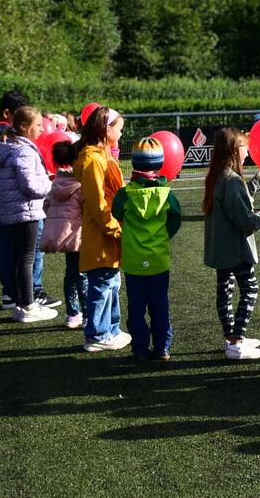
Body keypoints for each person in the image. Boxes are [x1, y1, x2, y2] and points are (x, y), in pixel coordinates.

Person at [111, 138, 183, 360]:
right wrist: (163, 236)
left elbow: (116, 213)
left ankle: (140, 349)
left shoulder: (125, 194)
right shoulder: (167, 194)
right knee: (160, 306)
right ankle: (162, 348)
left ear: (134, 163)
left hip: (133, 261)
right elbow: (176, 219)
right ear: (160, 164)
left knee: (136, 308)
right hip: (158, 260)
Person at [203, 128, 260, 360]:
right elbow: (244, 219)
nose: (248, 152)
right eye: (245, 147)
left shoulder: (218, 175)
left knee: (225, 290)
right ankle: (235, 341)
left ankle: (231, 336)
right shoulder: (231, 180)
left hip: (221, 248)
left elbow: (236, 202)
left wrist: (256, 182)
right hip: (236, 249)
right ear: (235, 150)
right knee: (250, 290)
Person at [0, 106, 55, 323]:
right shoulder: (23, 150)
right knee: (26, 259)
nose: (42, 130)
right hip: (25, 212)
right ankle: (27, 305)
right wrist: (48, 181)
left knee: (19, 258)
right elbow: (30, 186)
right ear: (24, 127)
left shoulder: (9, 146)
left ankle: (21, 303)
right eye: (38, 126)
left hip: (14, 210)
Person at [75, 106, 132, 353]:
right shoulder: (92, 158)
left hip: (109, 230)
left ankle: (111, 329)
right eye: (119, 128)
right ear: (106, 129)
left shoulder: (101, 155)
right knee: (102, 283)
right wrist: (114, 228)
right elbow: (98, 203)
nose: (121, 132)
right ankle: (97, 333)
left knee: (111, 281)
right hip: (102, 231)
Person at [40, 140, 88, 329]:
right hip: (79, 235)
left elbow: (46, 205)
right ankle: (87, 314)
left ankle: (72, 314)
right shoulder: (80, 184)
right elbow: (86, 208)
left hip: (63, 237)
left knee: (70, 274)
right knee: (83, 275)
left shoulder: (55, 183)